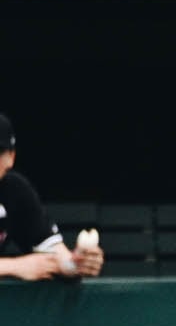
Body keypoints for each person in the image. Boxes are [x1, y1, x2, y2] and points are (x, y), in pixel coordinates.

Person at [0, 112, 104, 282]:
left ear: (11, 157)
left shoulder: (14, 190)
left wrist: (76, 264)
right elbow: (21, 266)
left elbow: (55, 254)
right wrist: (14, 266)